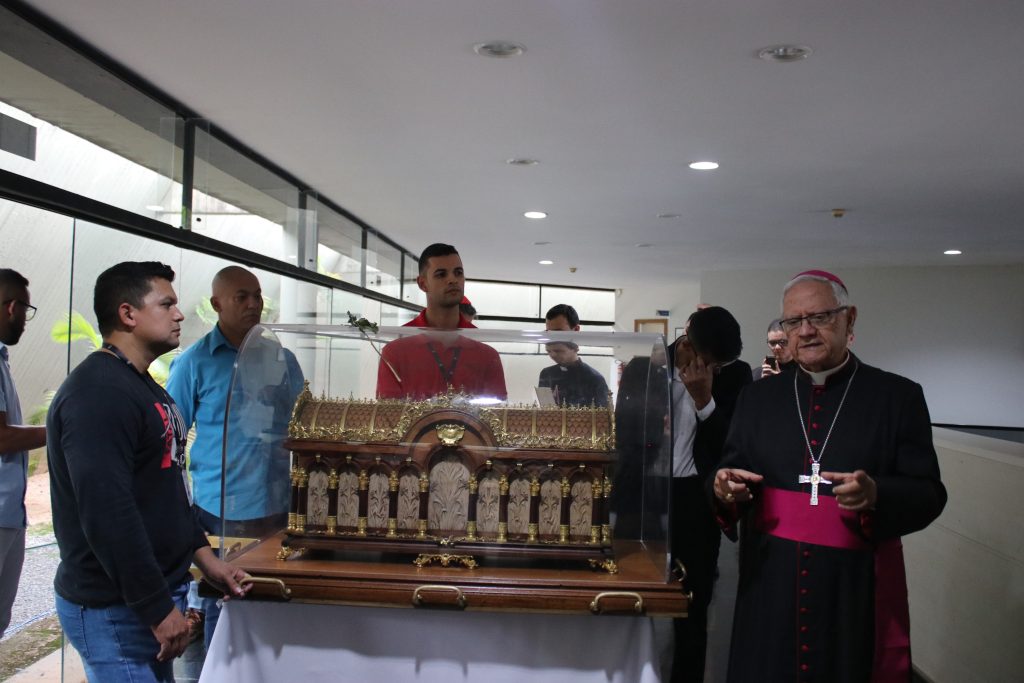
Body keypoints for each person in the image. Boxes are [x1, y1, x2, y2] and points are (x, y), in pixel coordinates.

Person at [712, 270, 947, 682]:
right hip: (770, 582)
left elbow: (929, 492)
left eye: (819, 317)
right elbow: (729, 471)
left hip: (853, 589)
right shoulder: (758, 398)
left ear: (849, 319)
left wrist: (877, 493)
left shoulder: (897, 397)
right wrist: (723, 487)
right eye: (792, 322)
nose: (804, 331)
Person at [48, 261, 250, 683]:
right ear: (128, 314)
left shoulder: (141, 385)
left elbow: (169, 493)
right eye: (167, 304)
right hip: (115, 608)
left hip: (147, 599)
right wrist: (157, 608)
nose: (179, 314)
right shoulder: (99, 393)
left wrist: (206, 561)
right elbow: (108, 513)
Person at [166, 265, 303, 649]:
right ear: (216, 304)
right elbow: (169, 436)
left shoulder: (282, 359)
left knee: (273, 603)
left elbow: (301, 426)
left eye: (257, 296)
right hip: (219, 509)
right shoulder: (194, 362)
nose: (253, 304)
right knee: (222, 608)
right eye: (241, 297)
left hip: (276, 507)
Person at [667, 307, 751, 683]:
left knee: (693, 602)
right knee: (637, 588)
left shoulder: (736, 375)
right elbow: (628, 433)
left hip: (697, 500)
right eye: (710, 363)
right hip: (650, 494)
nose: (715, 370)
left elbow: (734, 445)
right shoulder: (647, 364)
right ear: (688, 341)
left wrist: (705, 401)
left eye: (721, 365)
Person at [377, 244, 506, 400]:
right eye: (441, 274)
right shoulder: (398, 347)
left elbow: (497, 415)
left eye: (458, 273)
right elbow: (387, 417)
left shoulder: (484, 350)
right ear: (422, 284)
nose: (452, 280)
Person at [0, 269, 46, 638]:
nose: (25, 321)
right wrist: (60, 428)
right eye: (25, 310)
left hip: (9, 512)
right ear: (12, 307)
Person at [538, 341, 610, 407]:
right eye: (548, 351)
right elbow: (544, 406)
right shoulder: (547, 373)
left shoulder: (593, 377)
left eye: (558, 351)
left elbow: (602, 411)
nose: (552, 355)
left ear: (575, 349)